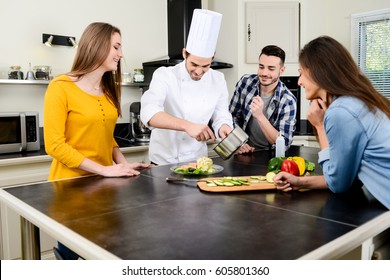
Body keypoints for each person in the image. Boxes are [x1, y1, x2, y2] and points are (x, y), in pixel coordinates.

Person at [44, 22, 152, 259]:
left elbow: (106, 136)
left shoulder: (108, 89)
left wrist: (121, 165)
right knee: (75, 257)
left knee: (107, 254)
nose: (121, 54)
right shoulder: (60, 87)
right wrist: (105, 170)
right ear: (97, 46)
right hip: (71, 190)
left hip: (104, 188)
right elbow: (54, 145)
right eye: (116, 47)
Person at [273, 36, 390, 210]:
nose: (299, 82)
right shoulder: (360, 101)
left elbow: (338, 183)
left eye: (301, 73)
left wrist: (320, 126)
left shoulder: (341, 111)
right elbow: (348, 177)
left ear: (317, 72)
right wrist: (300, 181)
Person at [140, 9, 233, 165]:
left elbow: (221, 114)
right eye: (194, 64)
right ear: (184, 54)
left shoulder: (218, 79)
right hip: (162, 163)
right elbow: (149, 112)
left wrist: (224, 127)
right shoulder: (165, 75)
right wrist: (187, 126)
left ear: (213, 58)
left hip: (197, 163)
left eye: (206, 66)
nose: (198, 71)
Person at [229, 45, 297, 153]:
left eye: (271, 68)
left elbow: (283, 144)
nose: (264, 73)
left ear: (282, 70)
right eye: (261, 67)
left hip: (269, 155)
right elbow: (231, 116)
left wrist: (260, 116)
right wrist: (239, 143)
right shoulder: (245, 83)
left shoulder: (288, 101)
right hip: (243, 151)